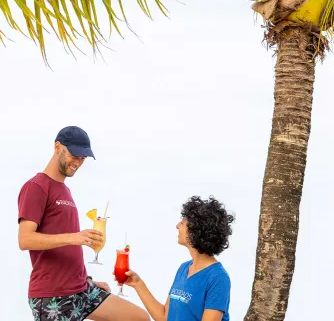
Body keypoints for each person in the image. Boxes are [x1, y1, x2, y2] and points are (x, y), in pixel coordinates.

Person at [18, 126, 150, 321]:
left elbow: (65, 249)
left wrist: (88, 280)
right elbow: (25, 239)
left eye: (83, 158)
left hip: (82, 290)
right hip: (53, 296)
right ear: (57, 147)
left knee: (139, 318)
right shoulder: (36, 187)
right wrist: (76, 237)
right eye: (75, 155)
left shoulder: (64, 190)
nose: (78, 162)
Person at [120, 196, 235, 321]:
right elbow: (165, 316)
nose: (177, 226)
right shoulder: (184, 268)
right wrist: (138, 284)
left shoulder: (218, 278)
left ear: (196, 231)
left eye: (182, 223)